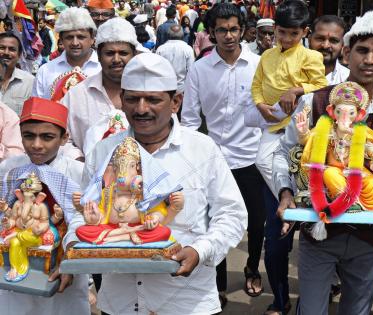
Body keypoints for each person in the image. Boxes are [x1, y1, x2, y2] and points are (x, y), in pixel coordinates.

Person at [65, 52, 247, 315]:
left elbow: (232, 214)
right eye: (132, 99)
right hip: (121, 303)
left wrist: (199, 251)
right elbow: (83, 213)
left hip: (189, 302)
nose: (141, 109)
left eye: (152, 100)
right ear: (121, 101)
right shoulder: (103, 151)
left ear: (175, 102)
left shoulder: (202, 148)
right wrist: (74, 244)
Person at [273, 8, 373, 315]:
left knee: (357, 310)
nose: (369, 60)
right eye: (362, 51)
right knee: (311, 310)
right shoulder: (316, 101)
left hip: (372, 235)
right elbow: (284, 153)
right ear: (346, 53)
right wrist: (286, 193)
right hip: (321, 230)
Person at [182, 3, 264, 307]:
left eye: (233, 29)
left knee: (257, 223)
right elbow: (190, 118)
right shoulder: (199, 69)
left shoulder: (259, 65)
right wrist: (193, 157)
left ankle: (253, 268)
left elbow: (270, 114)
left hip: (252, 158)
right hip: (214, 161)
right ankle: (216, 284)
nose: (228, 36)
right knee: (214, 224)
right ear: (211, 33)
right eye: (221, 30)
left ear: (242, 30)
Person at [0, 97, 89, 315]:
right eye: (28, 136)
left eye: (47, 137)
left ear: (64, 137)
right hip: (14, 267)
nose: (36, 145)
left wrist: (71, 263)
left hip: (63, 267)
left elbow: (85, 221)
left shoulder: (78, 172)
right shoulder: (10, 168)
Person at [251, 0, 327, 195]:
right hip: (272, 122)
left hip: (299, 126)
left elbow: (322, 86)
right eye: (282, 32)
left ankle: (298, 198)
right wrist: (260, 104)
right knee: (261, 162)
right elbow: (257, 84)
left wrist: (296, 90)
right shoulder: (267, 55)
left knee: (296, 164)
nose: (286, 38)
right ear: (275, 29)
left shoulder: (311, 57)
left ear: (305, 32)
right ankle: (287, 199)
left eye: (294, 33)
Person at [61, 17, 137, 156]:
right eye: (109, 53)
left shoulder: (149, 94)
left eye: (123, 53)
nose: (116, 60)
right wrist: (81, 162)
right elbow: (61, 139)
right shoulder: (76, 95)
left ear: (134, 55)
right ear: (99, 56)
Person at [33, 7, 101, 100]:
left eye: (81, 37)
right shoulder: (45, 71)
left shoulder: (104, 69)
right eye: (69, 37)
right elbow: (36, 109)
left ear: (92, 39)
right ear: (61, 39)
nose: (75, 43)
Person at [308, 15, 349, 85]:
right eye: (320, 39)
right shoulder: (291, 71)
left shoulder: (348, 78)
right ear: (309, 40)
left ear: (343, 45)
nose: (325, 46)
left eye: (333, 41)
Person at [0, 32, 34, 115]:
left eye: (12, 49)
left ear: (19, 55)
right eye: (2, 48)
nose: (6, 52)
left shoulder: (30, 82)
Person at [156, 24, 194, 93]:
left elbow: (157, 70)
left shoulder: (160, 49)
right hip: (182, 89)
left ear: (168, 34)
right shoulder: (188, 49)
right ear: (182, 35)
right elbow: (191, 70)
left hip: (165, 88)